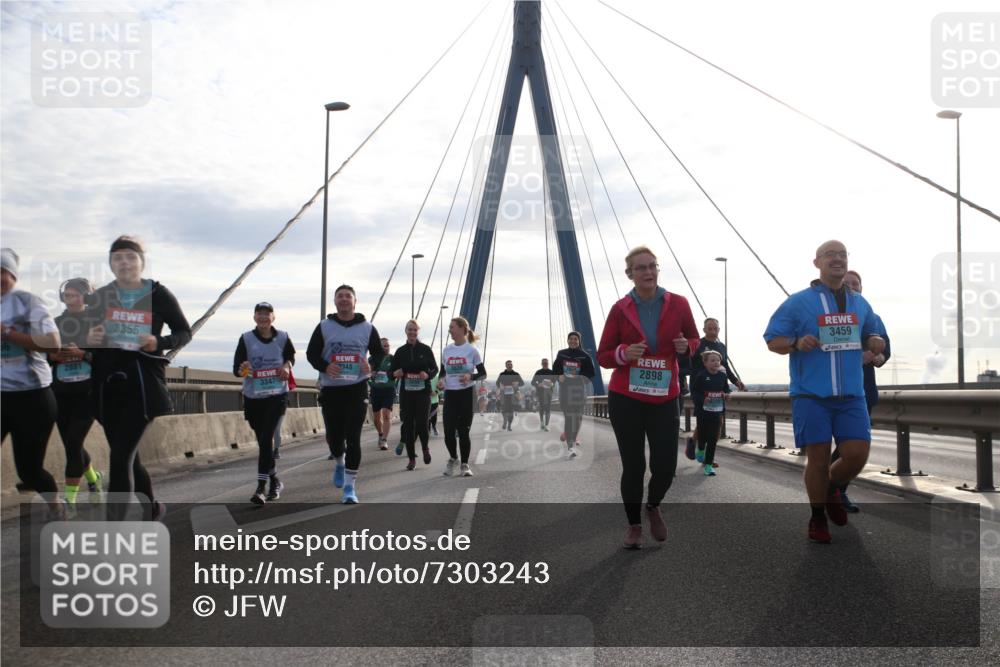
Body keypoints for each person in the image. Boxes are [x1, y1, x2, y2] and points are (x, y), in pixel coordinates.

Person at [763, 240, 885, 544]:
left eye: (842, 254)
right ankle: (817, 516)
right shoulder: (798, 302)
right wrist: (795, 344)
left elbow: (873, 332)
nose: (837, 259)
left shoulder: (860, 303)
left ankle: (830, 487)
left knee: (857, 455)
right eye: (830, 254)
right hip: (811, 395)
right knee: (817, 459)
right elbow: (772, 339)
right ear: (817, 263)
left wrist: (874, 341)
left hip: (852, 395)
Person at [598, 245, 699, 549]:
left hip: (664, 396)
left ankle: (653, 504)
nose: (648, 272)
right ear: (629, 274)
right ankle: (633, 526)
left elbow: (694, 337)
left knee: (666, 465)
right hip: (626, 396)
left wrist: (687, 347)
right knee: (634, 466)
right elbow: (604, 354)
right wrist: (623, 353)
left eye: (652, 266)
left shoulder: (678, 304)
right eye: (641, 268)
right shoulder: (620, 309)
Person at [86, 236, 192, 521]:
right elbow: (86, 337)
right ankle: (152, 508)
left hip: (142, 385)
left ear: (141, 262)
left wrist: (157, 341)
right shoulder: (101, 296)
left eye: (130, 257)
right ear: (111, 263)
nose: (124, 262)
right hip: (107, 387)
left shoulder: (158, 293)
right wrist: (90, 337)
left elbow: (184, 332)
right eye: (117, 257)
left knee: (120, 458)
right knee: (129, 459)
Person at [1, 248, 65, 518]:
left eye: (2, 272)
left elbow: (53, 344)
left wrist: (7, 333)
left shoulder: (28, 302)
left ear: (12, 275)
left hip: (32, 398)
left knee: (29, 470)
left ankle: (55, 505)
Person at [307, 284, 384, 504]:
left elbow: (379, 354)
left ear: (354, 301)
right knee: (335, 438)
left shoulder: (368, 328)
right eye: (339, 296)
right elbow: (312, 354)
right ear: (335, 301)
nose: (343, 299)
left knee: (353, 437)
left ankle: (350, 488)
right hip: (331, 389)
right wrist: (325, 366)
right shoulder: (324, 326)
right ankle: (339, 462)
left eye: (347, 296)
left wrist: (372, 367)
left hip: (357, 388)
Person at [835, 269, 890, 512]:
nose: (851, 288)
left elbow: (885, 348)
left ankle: (837, 489)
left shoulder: (873, 317)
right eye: (846, 284)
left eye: (855, 284)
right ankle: (830, 487)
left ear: (862, 288)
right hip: (832, 390)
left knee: (855, 445)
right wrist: (856, 356)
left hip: (863, 390)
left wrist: (877, 356)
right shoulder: (829, 315)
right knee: (845, 444)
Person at [48, 277, 104, 514]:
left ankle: (69, 499)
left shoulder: (97, 322)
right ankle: (93, 478)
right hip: (60, 391)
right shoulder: (55, 322)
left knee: (73, 442)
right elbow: (43, 353)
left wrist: (82, 354)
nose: (71, 299)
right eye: (67, 295)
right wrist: (53, 356)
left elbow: (107, 358)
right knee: (72, 444)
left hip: (87, 392)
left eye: (76, 295)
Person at [234, 302, 294, 504]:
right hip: (254, 397)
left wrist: (286, 366)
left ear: (273, 317)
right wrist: (244, 368)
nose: (263, 317)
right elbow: (237, 369)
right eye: (259, 314)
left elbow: (290, 357)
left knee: (267, 437)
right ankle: (275, 480)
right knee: (263, 442)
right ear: (254, 317)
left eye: (267, 314)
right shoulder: (246, 339)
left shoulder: (283, 337)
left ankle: (260, 488)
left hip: (277, 395)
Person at [684, 317, 746, 464]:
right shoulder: (698, 344)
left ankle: (703, 452)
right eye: (709, 328)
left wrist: (735, 381)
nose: (713, 331)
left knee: (717, 423)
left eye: (715, 328)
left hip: (717, 389)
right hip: (701, 389)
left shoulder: (722, 347)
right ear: (704, 329)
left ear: (719, 330)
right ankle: (700, 450)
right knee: (704, 423)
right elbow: (687, 364)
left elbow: (725, 367)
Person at [438, 316, 487, 477]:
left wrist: (470, 377)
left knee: (463, 431)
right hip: (451, 394)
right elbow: (443, 372)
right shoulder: (447, 350)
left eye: (451, 327)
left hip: (467, 395)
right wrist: (441, 381)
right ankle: (453, 458)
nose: (449, 330)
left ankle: (465, 465)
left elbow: (483, 374)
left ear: (461, 329)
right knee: (449, 431)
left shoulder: (472, 350)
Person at [391, 320, 437, 470]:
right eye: (410, 330)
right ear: (406, 331)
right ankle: (411, 458)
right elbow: (390, 372)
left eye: (415, 330)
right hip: (407, 394)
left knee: (423, 424)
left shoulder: (425, 349)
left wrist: (427, 375)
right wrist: (394, 373)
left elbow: (435, 369)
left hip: (423, 393)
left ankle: (425, 448)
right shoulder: (400, 351)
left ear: (418, 332)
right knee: (408, 425)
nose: (412, 332)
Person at [553, 333, 596, 457]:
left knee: (577, 418)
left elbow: (591, 373)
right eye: (571, 339)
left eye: (575, 339)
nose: (573, 341)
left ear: (579, 341)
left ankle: (571, 438)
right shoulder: (561, 353)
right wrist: (558, 375)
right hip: (565, 390)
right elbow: (555, 368)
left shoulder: (585, 356)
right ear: (567, 340)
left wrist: (581, 378)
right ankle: (570, 446)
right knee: (569, 417)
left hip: (578, 391)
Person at [690, 350, 731, 476]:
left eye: (718, 360)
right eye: (712, 360)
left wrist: (727, 395)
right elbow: (694, 392)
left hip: (717, 412)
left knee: (713, 438)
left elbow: (726, 389)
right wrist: (703, 399)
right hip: (703, 412)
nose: (716, 362)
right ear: (705, 363)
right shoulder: (702, 376)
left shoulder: (722, 376)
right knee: (702, 436)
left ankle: (708, 465)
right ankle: (701, 449)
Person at [369, 337, 396, 451]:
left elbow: (397, 372)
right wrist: (372, 373)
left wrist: (394, 374)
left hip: (389, 389)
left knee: (386, 414)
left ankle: (384, 440)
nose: (386, 348)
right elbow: (367, 372)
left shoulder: (393, 359)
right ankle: (380, 434)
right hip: (376, 390)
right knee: (376, 418)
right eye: (384, 346)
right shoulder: (372, 359)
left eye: (388, 346)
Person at [496, 361, 523, 431]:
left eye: (511, 364)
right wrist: (500, 386)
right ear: (506, 366)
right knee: (504, 410)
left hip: (513, 395)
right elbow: (497, 383)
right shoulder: (502, 374)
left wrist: (516, 384)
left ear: (512, 365)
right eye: (508, 364)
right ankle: (505, 421)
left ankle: (509, 425)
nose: (510, 365)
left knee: (511, 411)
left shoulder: (516, 374)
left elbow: (522, 383)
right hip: (504, 394)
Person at [531, 358, 557, 431]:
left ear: (548, 364)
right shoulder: (538, 372)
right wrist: (538, 384)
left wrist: (552, 384)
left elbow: (554, 381)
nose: (545, 364)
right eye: (544, 363)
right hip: (540, 393)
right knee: (542, 408)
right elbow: (533, 382)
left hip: (549, 393)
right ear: (541, 364)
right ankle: (542, 422)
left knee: (548, 409)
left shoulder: (552, 372)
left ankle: (547, 425)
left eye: (546, 363)